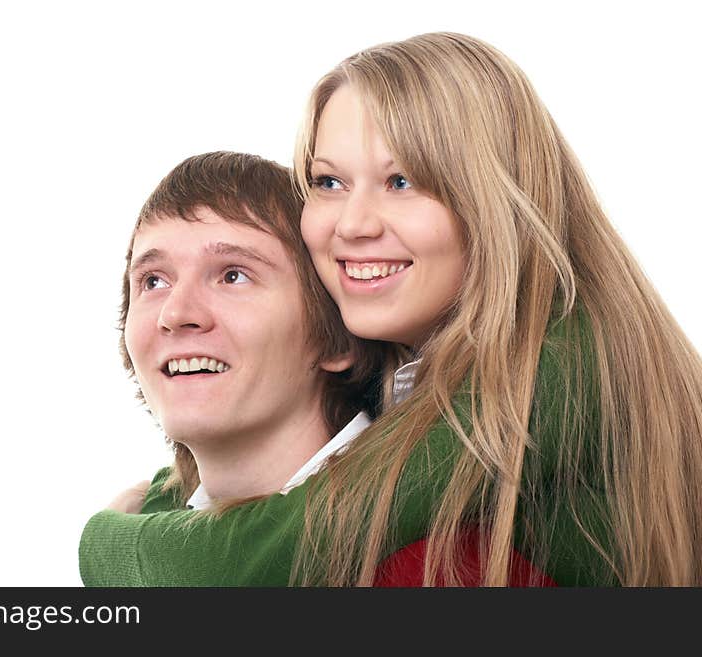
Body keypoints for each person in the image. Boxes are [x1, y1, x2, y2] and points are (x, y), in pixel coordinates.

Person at [81, 33, 702, 586]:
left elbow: (264, 557)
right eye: (328, 182)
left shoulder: (554, 368)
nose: (351, 224)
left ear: (493, 202)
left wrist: (103, 543)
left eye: (401, 181)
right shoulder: (427, 374)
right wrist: (168, 495)